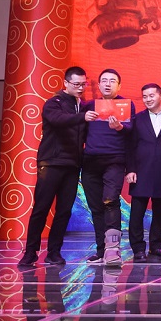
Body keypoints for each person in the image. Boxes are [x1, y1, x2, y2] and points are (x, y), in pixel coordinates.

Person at [19, 67, 99, 268]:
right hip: (51, 163)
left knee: (64, 211)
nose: (80, 88)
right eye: (76, 84)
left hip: (72, 165)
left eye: (83, 84)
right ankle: (30, 252)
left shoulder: (82, 107)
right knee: (41, 208)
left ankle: (54, 252)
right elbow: (58, 120)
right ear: (66, 83)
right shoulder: (53, 103)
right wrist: (82, 117)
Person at [81, 68, 134, 266]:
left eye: (112, 81)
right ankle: (101, 251)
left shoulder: (125, 105)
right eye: (104, 80)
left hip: (114, 160)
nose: (107, 84)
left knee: (110, 201)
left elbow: (132, 132)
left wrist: (120, 127)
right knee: (96, 208)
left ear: (119, 85)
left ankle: (113, 250)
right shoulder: (89, 106)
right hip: (90, 162)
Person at [126, 83, 161, 261]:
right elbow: (130, 147)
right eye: (145, 96)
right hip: (141, 171)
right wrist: (130, 169)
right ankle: (138, 249)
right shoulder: (137, 119)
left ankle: (156, 246)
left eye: (151, 95)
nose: (148, 99)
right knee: (137, 213)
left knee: (160, 212)